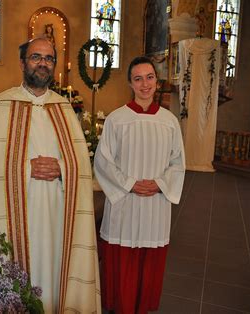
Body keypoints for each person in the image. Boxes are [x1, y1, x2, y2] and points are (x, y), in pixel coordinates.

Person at [0, 37, 101, 313]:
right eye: (36, 57)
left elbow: (81, 167)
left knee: (54, 271)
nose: (43, 63)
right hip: (12, 213)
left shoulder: (64, 108)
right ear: (22, 63)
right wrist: (27, 169)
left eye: (49, 58)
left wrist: (63, 169)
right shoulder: (0, 106)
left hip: (57, 213)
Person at [94, 56, 185, 314]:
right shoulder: (116, 119)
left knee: (149, 259)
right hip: (125, 202)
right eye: (138, 79)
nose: (145, 84)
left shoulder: (169, 122)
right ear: (130, 84)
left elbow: (178, 162)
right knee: (123, 259)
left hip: (156, 203)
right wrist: (130, 184)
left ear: (157, 81)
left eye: (149, 77)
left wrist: (159, 184)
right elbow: (103, 161)